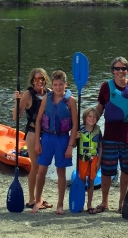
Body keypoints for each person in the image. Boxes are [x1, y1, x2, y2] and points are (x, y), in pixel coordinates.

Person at [95, 56, 128, 214]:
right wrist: (88, 123)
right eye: (117, 68)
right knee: (107, 171)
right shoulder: (105, 87)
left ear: (127, 70)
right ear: (112, 71)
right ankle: (104, 202)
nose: (120, 71)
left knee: (126, 170)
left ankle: (122, 202)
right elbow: (100, 108)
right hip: (110, 135)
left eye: (123, 68)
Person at [32, 70, 78, 215]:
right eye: (55, 84)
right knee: (41, 170)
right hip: (47, 138)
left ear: (66, 84)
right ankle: (38, 200)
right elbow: (38, 120)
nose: (58, 87)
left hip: (63, 139)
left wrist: (70, 145)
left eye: (61, 84)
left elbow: (75, 125)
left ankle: (59, 204)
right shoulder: (47, 98)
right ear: (52, 84)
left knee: (61, 172)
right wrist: (37, 142)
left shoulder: (71, 101)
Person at [12, 68, 53, 210]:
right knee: (35, 167)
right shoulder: (28, 95)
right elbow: (15, 117)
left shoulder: (49, 93)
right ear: (32, 80)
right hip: (32, 134)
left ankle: (39, 198)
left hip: (46, 134)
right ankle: (31, 200)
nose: (40, 81)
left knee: (43, 168)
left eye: (42, 78)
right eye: (37, 79)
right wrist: (17, 101)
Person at [74, 107, 102, 214]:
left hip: (93, 159)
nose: (92, 118)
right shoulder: (79, 129)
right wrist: (76, 137)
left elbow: (100, 147)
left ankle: (89, 204)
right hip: (82, 159)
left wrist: (99, 161)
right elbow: (73, 146)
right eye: (89, 116)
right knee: (81, 181)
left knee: (91, 181)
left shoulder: (98, 130)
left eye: (94, 117)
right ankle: (80, 202)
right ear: (85, 118)